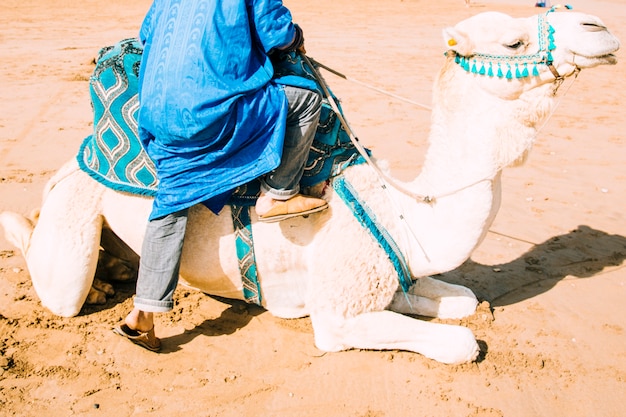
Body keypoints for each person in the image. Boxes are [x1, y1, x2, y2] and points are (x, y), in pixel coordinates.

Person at [113, 0, 327, 351]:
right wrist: (297, 37)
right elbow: (276, 32)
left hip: (156, 115)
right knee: (304, 99)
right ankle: (279, 192)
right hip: (207, 113)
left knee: (172, 197)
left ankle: (142, 314)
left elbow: (146, 32)